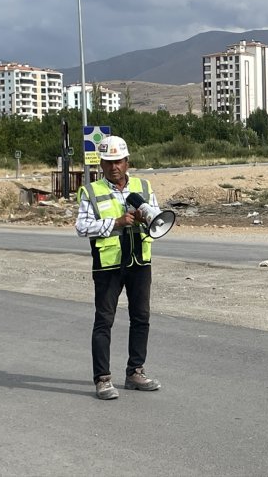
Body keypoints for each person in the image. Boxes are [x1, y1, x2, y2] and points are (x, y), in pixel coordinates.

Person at [75, 135, 161, 400]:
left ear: (127, 161)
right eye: (109, 162)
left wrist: (146, 220)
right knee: (104, 320)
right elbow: (81, 227)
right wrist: (116, 222)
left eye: (119, 161)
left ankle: (135, 371)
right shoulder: (91, 191)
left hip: (139, 262)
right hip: (108, 265)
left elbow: (158, 219)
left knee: (141, 318)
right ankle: (102, 379)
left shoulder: (143, 187)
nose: (115, 167)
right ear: (101, 163)